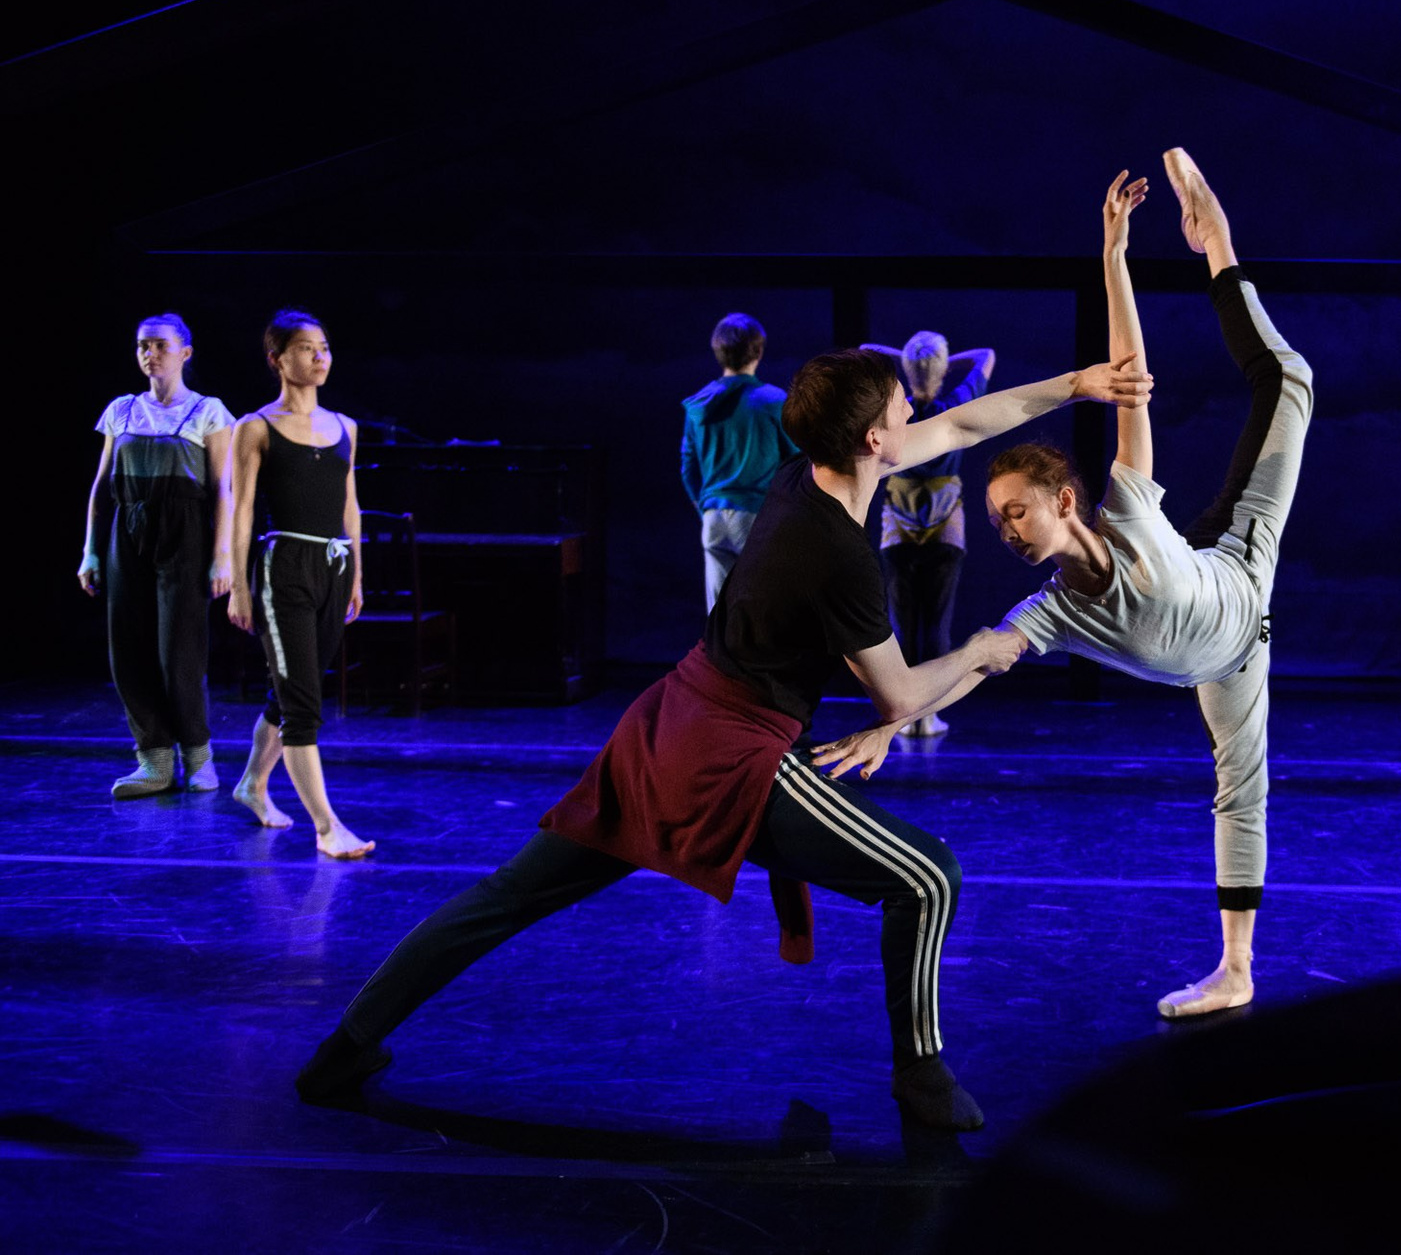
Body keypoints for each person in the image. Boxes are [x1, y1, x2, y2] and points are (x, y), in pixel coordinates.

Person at [293, 331, 1150, 1130]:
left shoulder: (805, 473)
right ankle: (919, 1074)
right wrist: (984, 648)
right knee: (928, 878)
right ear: (875, 442)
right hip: (729, 758)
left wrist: (1078, 384)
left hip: (664, 724)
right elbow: (898, 698)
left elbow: (963, 422)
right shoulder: (840, 556)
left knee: (505, 897)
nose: (913, 412)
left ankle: (343, 1049)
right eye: (901, 407)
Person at [815, 150, 1311, 1021]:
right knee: (1240, 791)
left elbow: (1130, 381)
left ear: (1064, 501)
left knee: (1289, 379)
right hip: (1228, 662)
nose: (1005, 529)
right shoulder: (1051, 613)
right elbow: (979, 659)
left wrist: (1114, 257)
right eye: (995, 519)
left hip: (1240, 556)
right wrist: (893, 721)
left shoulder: (1127, 499)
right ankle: (1236, 972)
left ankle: (1216, 243)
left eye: (1016, 511)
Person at [226, 309, 375, 860]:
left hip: (333, 567)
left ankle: (252, 784)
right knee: (303, 704)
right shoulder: (255, 427)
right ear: (278, 359)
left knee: (292, 690)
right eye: (308, 348)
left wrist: (356, 572)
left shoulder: (345, 427)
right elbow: (241, 510)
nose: (320, 356)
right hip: (283, 567)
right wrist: (239, 586)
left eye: (325, 347)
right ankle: (327, 827)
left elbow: (350, 505)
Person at [78, 313, 236, 797]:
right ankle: (154, 760)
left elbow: (223, 490)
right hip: (128, 530)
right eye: (143, 345)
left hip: (184, 533)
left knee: (178, 651)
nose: (150, 354)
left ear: (185, 352)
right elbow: (101, 488)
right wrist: (90, 551)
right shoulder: (122, 409)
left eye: (160, 345)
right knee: (128, 647)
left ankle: (198, 756)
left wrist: (223, 555)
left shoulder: (208, 411)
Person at [859, 331, 996, 736]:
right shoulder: (955, 404)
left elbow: (866, 351)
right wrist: (940, 365)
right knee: (936, 623)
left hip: (899, 525)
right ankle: (929, 715)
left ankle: (902, 718)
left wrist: (907, 361)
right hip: (944, 524)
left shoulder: (893, 411)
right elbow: (986, 354)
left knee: (901, 623)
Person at [680, 313, 799, 611]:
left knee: (720, 616)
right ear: (758, 351)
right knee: (763, 611)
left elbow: (688, 468)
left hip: (713, 520)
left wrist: (704, 506)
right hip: (757, 517)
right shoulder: (773, 401)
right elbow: (796, 461)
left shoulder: (699, 404)